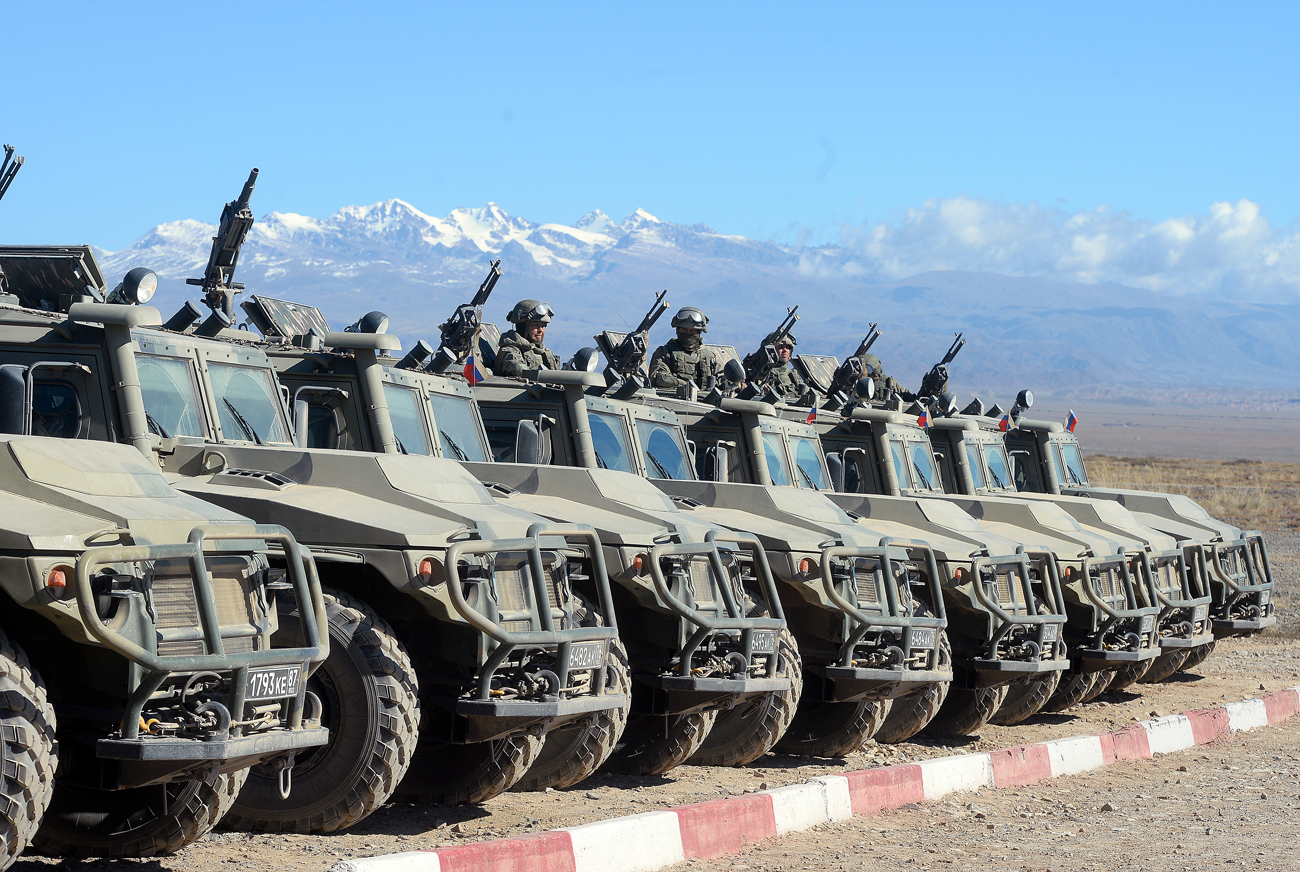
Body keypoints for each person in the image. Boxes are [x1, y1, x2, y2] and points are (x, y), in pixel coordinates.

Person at [648, 307, 717, 393]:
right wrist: (684, 384)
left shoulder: (710, 357)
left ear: (699, 332)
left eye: (692, 331)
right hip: (673, 401)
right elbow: (659, 378)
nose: (688, 333)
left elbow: (723, 380)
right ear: (677, 330)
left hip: (704, 403)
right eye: (684, 330)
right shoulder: (665, 353)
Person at [494, 299, 561, 378]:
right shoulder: (510, 351)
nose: (540, 330)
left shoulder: (546, 353)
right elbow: (518, 369)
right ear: (522, 326)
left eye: (543, 325)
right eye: (536, 325)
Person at [764, 333, 811, 404]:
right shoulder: (763, 373)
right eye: (781, 347)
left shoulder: (790, 374)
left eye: (788, 348)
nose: (785, 350)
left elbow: (805, 392)